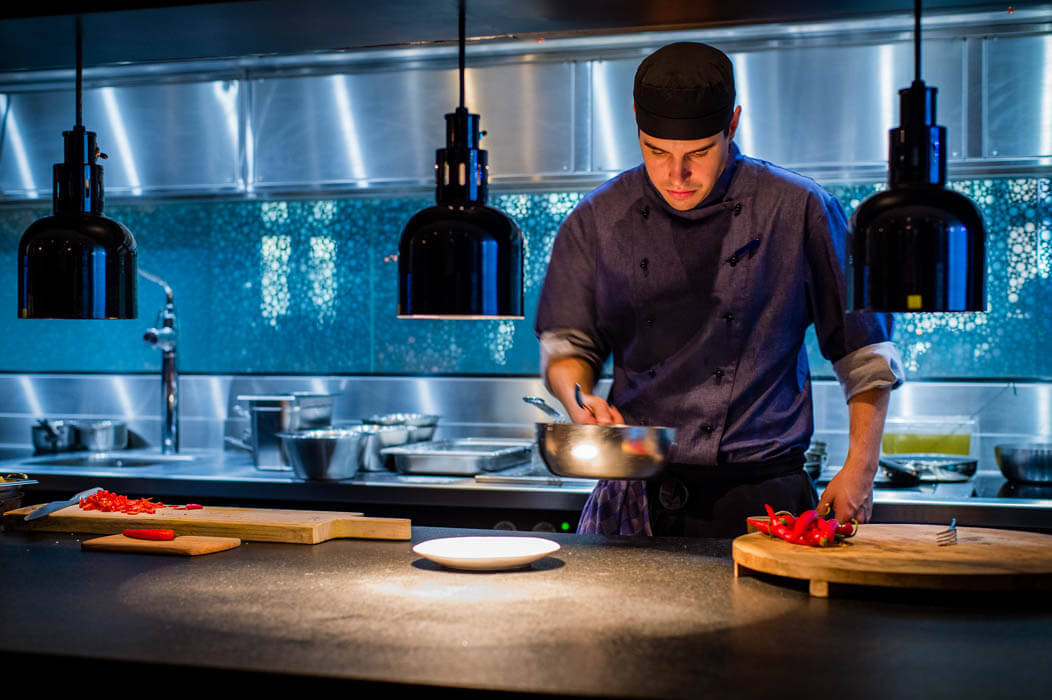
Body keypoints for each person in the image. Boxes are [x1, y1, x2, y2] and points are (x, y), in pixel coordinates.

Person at [534, 42, 905, 538]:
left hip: (761, 496)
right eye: (656, 151)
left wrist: (862, 466)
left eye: (699, 153)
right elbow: (568, 347)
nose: (676, 175)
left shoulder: (799, 208)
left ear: (732, 124)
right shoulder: (597, 218)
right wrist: (578, 400)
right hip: (638, 497)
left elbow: (865, 354)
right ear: (636, 123)